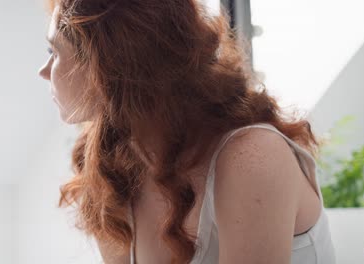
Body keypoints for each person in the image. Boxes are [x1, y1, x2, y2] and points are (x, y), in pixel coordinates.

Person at [38, 0, 336, 263]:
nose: (43, 70)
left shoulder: (252, 155)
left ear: (106, 64)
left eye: (54, 51)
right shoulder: (111, 167)